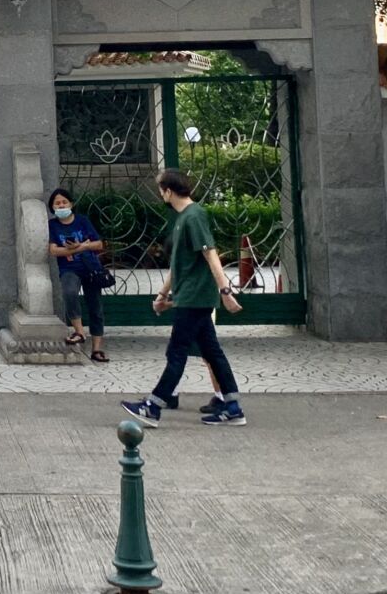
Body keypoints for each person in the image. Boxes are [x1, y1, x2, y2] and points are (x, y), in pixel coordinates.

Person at [122, 168, 246, 426]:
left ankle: (153, 406)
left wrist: (225, 291)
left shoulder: (194, 216)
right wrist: (163, 294)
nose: (161, 195)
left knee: (177, 351)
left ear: (168, 191)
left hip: (195, 298)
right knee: (212, 352)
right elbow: (180, 264)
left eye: (161, 190)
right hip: (190, 296)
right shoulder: (182, 218)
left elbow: (210, 254)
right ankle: (232, 406)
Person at [47, 188, 109, 362]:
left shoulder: (82, 221)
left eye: (64, 202)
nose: (61, 205)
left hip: (90, 268)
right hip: (69, 268)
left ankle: (97, 349)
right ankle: (79, 331)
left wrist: (80, 247)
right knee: (69, 293)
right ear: (52, 207)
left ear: (71, 204)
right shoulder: (52, 225)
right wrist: (68, 249)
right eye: (57, 203)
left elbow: (98, 244)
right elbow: (53, 250)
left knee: (95, 307)